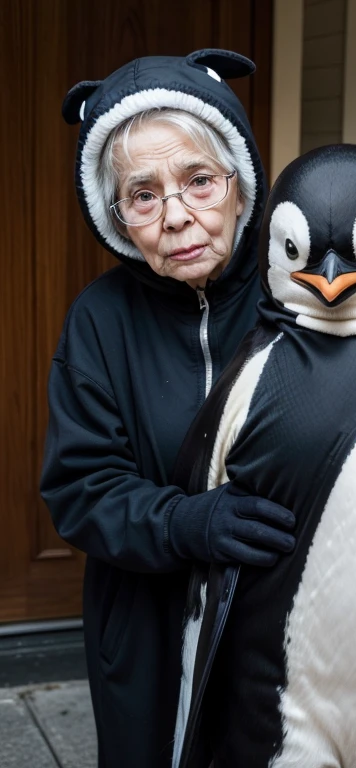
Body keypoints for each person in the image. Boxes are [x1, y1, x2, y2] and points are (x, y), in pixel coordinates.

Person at [40, 50, 295, 768]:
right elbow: (81, 490)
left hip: (283, 618)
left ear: (241, 184)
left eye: (198, 181)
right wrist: (187, 521)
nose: (177, 216)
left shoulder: (300, 293)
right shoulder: (99, 320)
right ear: (116, 216)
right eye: (143, 195)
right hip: (145, 625)